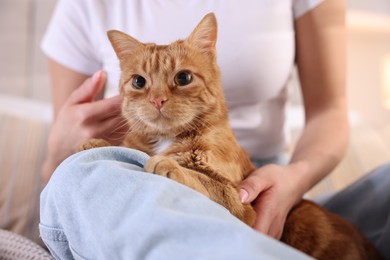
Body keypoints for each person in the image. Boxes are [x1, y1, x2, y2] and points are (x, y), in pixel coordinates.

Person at [39, 0, 389, 258]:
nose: (159, 97)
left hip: (268, 188)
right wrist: (61, 150)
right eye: (141, 82)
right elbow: (59, 174)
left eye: (182, 79)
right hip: (133, 186)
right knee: (77, 175)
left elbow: (330, 109)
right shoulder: (81, 6)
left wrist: (292, 179)